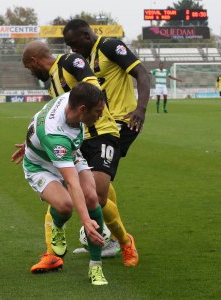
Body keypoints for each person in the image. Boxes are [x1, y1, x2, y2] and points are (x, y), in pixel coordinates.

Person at [15, 41, 139, 273]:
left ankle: (123, 241)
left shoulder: (70, 61)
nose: (30, 72)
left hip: (100, 134)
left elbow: (94, 90)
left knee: (97, 197)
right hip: (75, 138)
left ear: (33, 62)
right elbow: (48, 117)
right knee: (67, 198)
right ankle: (52, 254)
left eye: (28, 68)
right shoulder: (53, 81)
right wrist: (33, 142)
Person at [62, 18, 151, 261]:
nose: (73, 50)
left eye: (74, 44)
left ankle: (113, 239)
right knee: (98, 183)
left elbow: (142, 74)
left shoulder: (110, 47)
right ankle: (111, 235)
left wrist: (140, 109)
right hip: (100, 125)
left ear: (86, 35)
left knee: (95, 189)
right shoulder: (86, 59)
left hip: (122, 122)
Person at [22, 82, 108, 285]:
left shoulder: (73, 98)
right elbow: (72, 182)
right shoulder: (55, 135)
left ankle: (96, 266)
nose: (100, 116)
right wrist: (86, 221)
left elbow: (38, 118)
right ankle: (57, 226)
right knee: (65, 206)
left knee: (92, 198)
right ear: (82, 110)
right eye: (97, 112)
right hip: (40, 165)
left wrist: (30, 141)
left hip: (68, 153)